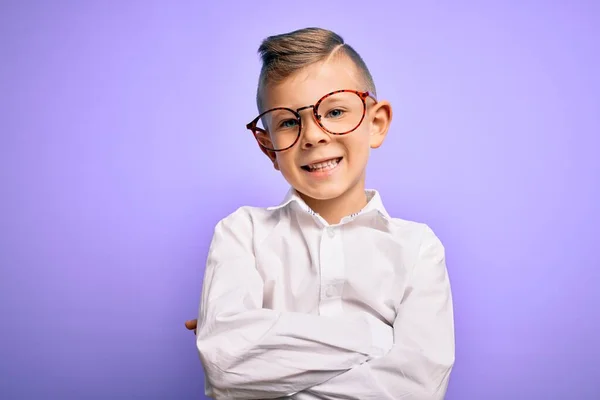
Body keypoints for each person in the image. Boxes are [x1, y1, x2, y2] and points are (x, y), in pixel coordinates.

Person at [185, 27, 455, 399]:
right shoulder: (240, 233)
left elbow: (415, 389)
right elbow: (224, 361)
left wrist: (268, 358)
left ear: (376, 123)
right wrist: (375, 336)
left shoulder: (418, 248)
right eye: (289, 121)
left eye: (335, 111)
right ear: (268, 149)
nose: (313, 136)